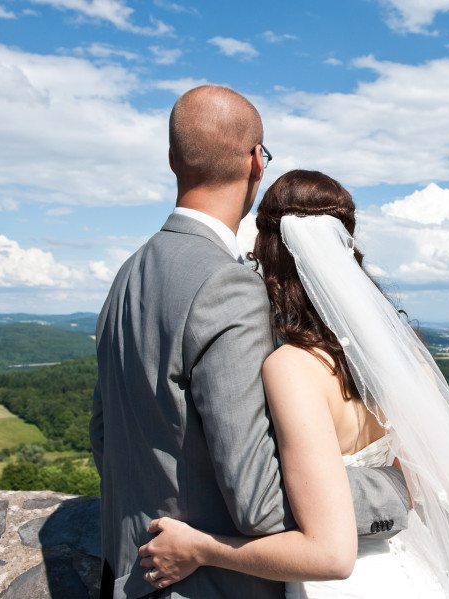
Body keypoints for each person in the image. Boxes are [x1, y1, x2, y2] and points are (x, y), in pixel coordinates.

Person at [138, 170, 449, 598]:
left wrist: (202, 549)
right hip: (407, 566)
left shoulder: (294, 367)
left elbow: (330, 555)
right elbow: (425, 484)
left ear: (269, 254)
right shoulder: (401, 360)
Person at [90, 87, 410, 599]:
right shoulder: (227, 285)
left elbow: (104, 436)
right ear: (255, 162)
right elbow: (259, 503)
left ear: (173, 160)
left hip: (129, 571)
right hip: (207, 585)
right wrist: (394, 488)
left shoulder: (126, 276)